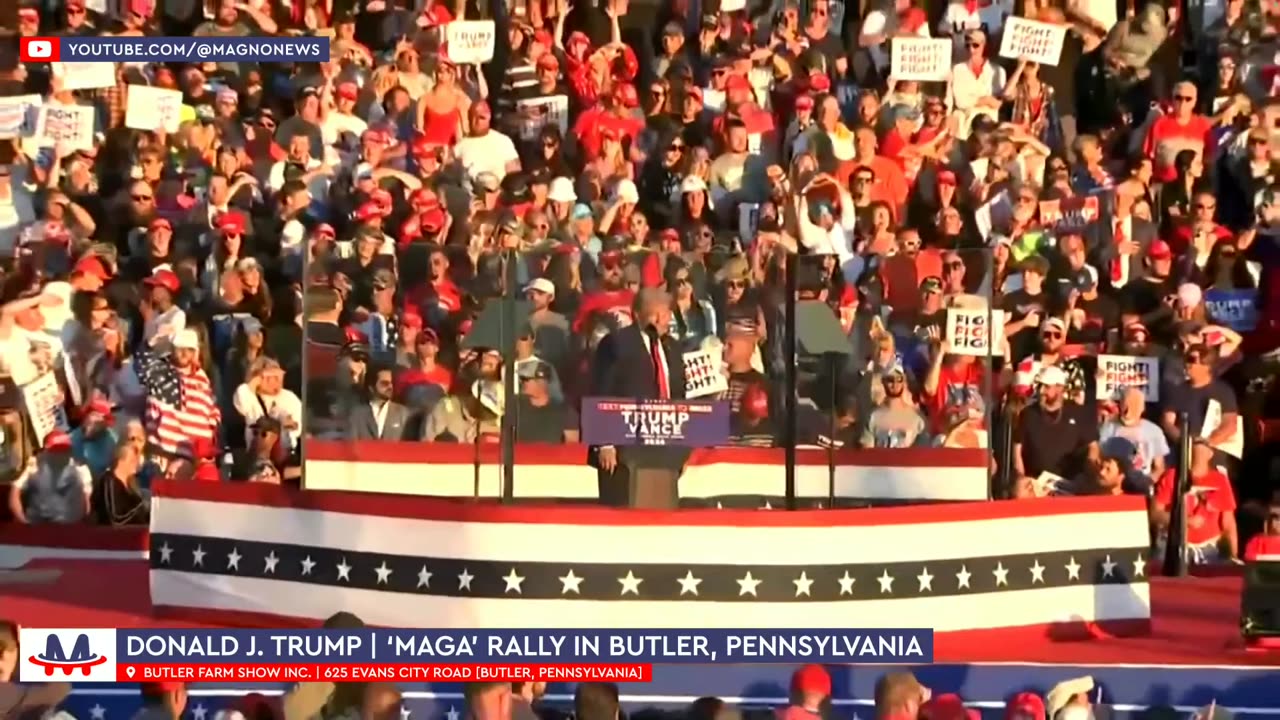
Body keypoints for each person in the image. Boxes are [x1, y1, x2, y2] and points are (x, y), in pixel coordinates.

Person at [590, 288, 688, 509]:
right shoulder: (617, 343)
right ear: (639, 315)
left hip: (664, 445)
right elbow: (602, 390)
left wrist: (681, 444)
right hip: (624, 448)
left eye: (666, 314)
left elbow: (679, 394)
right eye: (657, 314)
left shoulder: (672, 347)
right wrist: (604, 442)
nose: (663, 320)